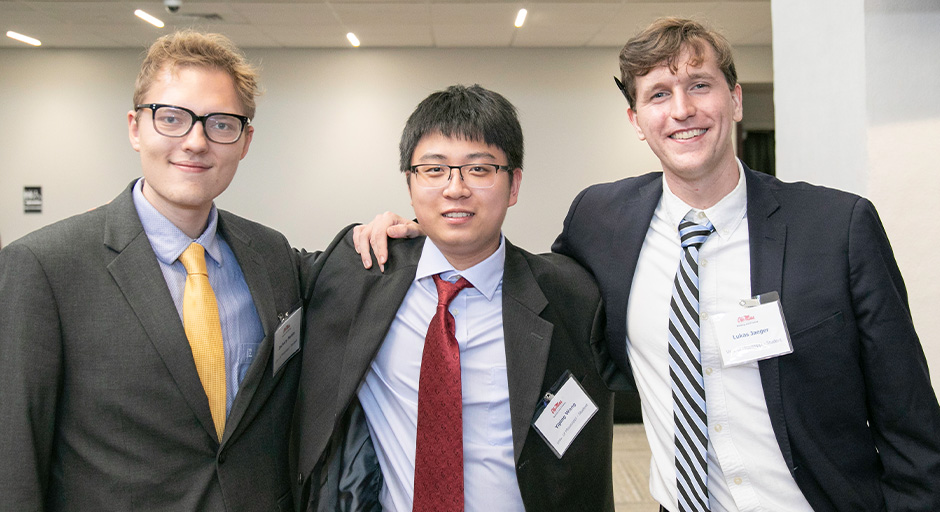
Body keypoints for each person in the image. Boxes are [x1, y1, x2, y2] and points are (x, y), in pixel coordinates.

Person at [354, 17, 940, 512]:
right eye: (658, 93)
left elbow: (910, 421)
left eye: (700, 86)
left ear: (734, 99)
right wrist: (420, 235)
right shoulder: (601, 219)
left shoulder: (837, 227)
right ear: (636, 119)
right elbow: (539, 295)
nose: (681, 110)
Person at [0, 31, 302, 511]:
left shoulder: (271, 255)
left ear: (245, 141)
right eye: (173, 119)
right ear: (135, 128)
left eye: (221, 124)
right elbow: (13, 460)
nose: (196, 142)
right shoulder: (44, 267)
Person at [291, 85, 616, 511]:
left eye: (480, 170)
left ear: (514, 185)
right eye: (434, 169)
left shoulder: (573, 294)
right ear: (410, 184)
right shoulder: (357, 274)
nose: (455, 188)